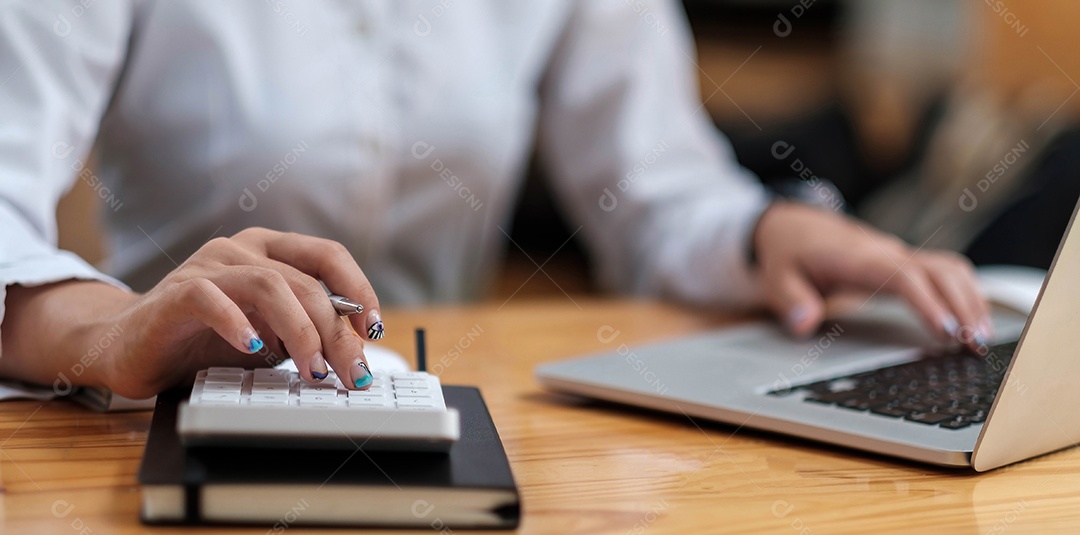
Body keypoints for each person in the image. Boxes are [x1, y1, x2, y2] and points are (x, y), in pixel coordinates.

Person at [0, 1, 990, 400]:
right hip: (160, 416)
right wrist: (118, 333)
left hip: (452, 416)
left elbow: (657, 190)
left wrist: (769, 229)